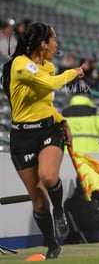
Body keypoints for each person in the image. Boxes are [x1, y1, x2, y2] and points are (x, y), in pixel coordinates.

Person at [1, 22, 85, 259]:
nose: (57, 44)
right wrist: (74, 72)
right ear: (43, 43)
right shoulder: (19, 65)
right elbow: (49, 84)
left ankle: (59, 211)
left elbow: (44, 104)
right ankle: (51, 244)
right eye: (54, 39)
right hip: (22, 137)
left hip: (48, 129)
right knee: (38, 202)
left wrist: (62, 120)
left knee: (48, 177)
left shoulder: (48, 66)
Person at [61, 80, 99, 153]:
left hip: (70, 160)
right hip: (91, 160)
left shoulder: (63, 115)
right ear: (89, 96)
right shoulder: (96, 113)